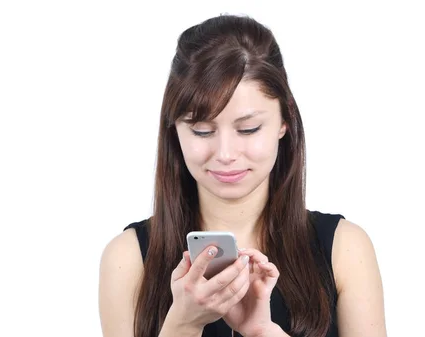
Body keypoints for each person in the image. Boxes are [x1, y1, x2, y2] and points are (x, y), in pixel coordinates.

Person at [98, 14, 386, 337]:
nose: (225, 153)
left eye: (248, 128)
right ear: (174, 130)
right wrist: (182, 324)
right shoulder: (128, 260)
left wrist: (264, 332)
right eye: (201, 130)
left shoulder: (344, 250)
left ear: (284, 121)